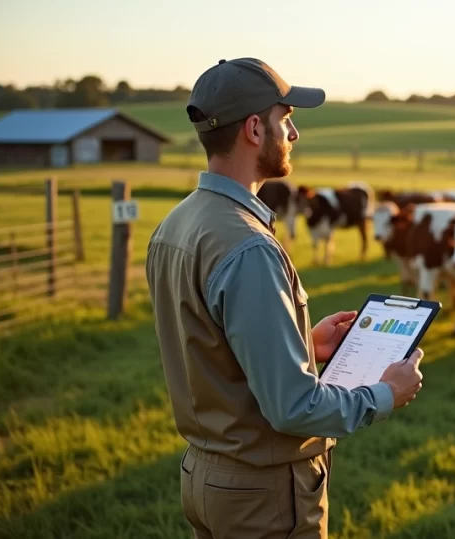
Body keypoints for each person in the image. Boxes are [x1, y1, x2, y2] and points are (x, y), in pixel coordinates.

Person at [145, 58, 424, 539]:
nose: (293, 133)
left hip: (205, 477)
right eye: (285, 119)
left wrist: (299, 344)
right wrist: (384, 394)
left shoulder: (177, 224)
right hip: (263, 493)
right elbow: (293, 408)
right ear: (255, 129)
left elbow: (209, 348)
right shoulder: (249, 245)